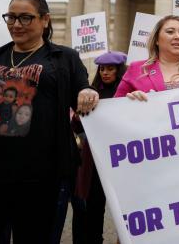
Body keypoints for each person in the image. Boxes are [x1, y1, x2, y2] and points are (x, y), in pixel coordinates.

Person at [0, 0, 98, 244]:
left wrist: (87, 92)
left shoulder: (64, 58)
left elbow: (84, 91)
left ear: (45, 20)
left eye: (26, 18)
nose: (16, 25)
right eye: (11, 17)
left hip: (43, 176)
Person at [72, 51, 127, 244]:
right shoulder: (90, 92)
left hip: (121, 159)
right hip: (94, 159)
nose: (105, 72)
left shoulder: (128, 93)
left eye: (110, 69)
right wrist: (77, 118)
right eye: (102, 69)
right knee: (91, 205)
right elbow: (78, 127)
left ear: (119, 70)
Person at [115, 15, 179, 100]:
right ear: (157, 40)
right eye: (170, 32)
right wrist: (129, 103)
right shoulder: (137, 68)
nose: (178, 36)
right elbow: (114, 110)